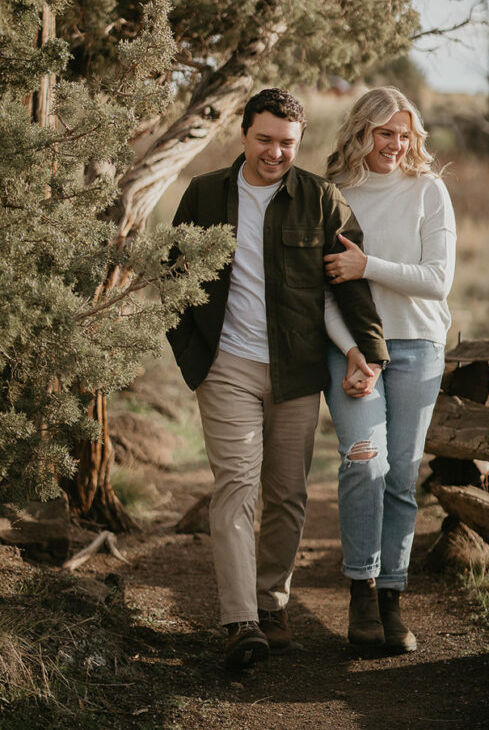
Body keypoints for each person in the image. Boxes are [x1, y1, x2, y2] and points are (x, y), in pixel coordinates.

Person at [167, 87, 389, 670]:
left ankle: (272, 603)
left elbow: (349, 281)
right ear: (243, 136)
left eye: (287, 143)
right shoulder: (204, 194)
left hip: (296, 371)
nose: (275, 153)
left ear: (300, 142)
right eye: (264, 139)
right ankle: (241, 621)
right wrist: (194, 356)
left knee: (287, 494)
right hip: (226, 366)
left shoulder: (321, 199)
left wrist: (369, 352)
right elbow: (172, 280)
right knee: (237, 484)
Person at [323, 86, 456, 654]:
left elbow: (437, 280)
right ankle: (361, 587)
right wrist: (351, 350)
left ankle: (391, 599)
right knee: (362, 463)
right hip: (351, 349)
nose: (395, 145)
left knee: (401, 477)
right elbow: (324, 287)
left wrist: (367, 265)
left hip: (420, 346)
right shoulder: (335, 193)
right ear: (361, 132)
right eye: (384, 133)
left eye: (404, 134)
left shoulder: (429, 190)